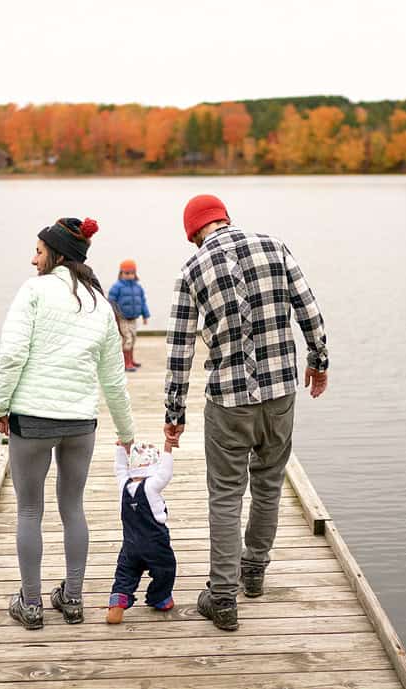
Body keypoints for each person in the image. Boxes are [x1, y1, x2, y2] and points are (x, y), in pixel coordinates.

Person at [163, 194, 329, 632]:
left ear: (193, 232)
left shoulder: (191, 270)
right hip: (279, 394)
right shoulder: (274, 247)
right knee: (269, 485)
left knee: (225, 495)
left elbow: (179, 352)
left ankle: (222, 597)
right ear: (225, 218)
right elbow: (308, 310)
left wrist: (173, 412)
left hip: (228, 403)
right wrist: (319, 360)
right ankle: (253, 573)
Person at [0, 216, 135, 630]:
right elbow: (113, 378)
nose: (32, 259)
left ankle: (31, 605)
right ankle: (72, 600)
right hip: (79, 423)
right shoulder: (98, 303)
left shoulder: (33, 292)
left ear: (56, 254)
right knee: (73, 508)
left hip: (32, 420)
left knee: (29, 510)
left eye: (37, 251)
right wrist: (126, 432)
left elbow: (12, 355)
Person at [106, 441, 177, 624]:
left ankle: (118, 603)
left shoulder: (124, 485)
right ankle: (159, 598)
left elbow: (119, 468)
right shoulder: (152, 486)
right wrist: (168, 449)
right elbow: (166, 474)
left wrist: (121, 448)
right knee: (165, 569)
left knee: (126, 572)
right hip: (155, 543)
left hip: (130, 544)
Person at [108, 259, 150, 371]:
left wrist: (145, 315)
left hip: (133, 319)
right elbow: (111, 301)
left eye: (132, 273)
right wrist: (114, 315)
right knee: (127, 339)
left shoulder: (138, 287)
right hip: (122, 318)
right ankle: (126, 363)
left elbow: (142, 301)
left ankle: (131, 360)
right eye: (126, 273)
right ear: (121, 273)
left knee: (133, 338)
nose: (129, 275)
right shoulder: (117, 287)